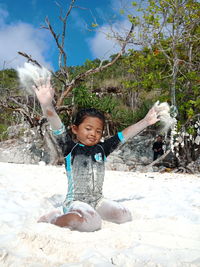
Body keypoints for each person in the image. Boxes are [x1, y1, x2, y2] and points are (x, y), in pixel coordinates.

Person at [34, 78, 161, 232]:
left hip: (97, 200)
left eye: (98, 131)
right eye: (88, 128)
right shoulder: (69, 148)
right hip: (76, 201)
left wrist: (146, 121)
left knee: (124, 216)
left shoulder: (102, 149)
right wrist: (47, 105)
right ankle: (54, 218)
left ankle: (74, 216)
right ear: (75, 129)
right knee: (92, 223)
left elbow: (125, 135)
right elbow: (56, 124)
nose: (93, 134)